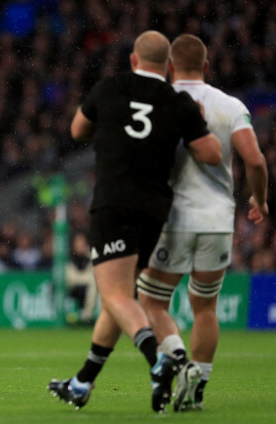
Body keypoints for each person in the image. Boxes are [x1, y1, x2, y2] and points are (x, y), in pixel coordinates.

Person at [47, 30, 222, 413]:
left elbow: (77, 130)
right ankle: (82, 382)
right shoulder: (178, 101)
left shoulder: (111, 88)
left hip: (114, 204)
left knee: (114, 296)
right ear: (169, 66)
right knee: (118, 298)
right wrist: (192, 125)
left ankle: (159, 357)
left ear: (134, 61)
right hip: (155, 211)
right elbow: (211, 153)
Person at [138, 34, 269, 412]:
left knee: (151, 301)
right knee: (205, 308)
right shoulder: (230, 106)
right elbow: (256, 161)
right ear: (207, 67)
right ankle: (198, 384)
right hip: (217, 221)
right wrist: (258, 200)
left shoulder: (155, 103)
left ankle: (176, 357)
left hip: (173, 218)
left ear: (170, 67)